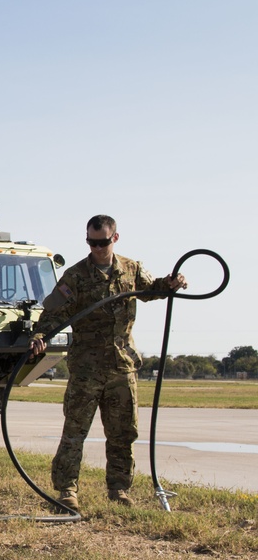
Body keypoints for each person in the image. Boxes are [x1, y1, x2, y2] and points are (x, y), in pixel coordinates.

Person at [29, 215, 187, 511]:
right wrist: (40, 335)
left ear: (115, 238)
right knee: (75, 432)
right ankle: (66, 491)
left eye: (102, 242)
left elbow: (151, 290)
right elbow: (51, 313)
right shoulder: (75, 276)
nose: (97, 248)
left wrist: (170, 284)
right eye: (91, 242)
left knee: (123, 434)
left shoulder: (131, 269)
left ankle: (119, 489)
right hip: (87, 369)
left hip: (122, 367)